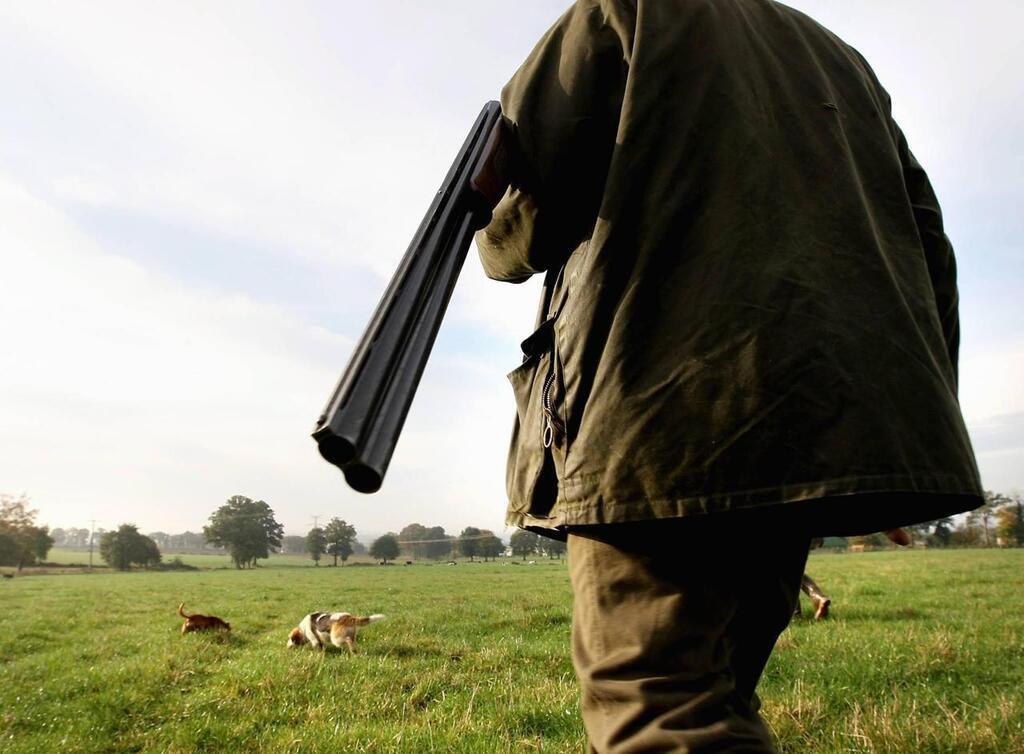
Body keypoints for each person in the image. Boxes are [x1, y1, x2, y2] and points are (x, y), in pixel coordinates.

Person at [475, 1, 983, 751]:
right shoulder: (842, 61)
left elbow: (521, 230)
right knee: (718, 689)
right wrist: (890, 439)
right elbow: (927, 248)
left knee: (657, 701)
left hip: (665, 417)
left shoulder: (620, 10)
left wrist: (489, 233)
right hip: (810, 426)